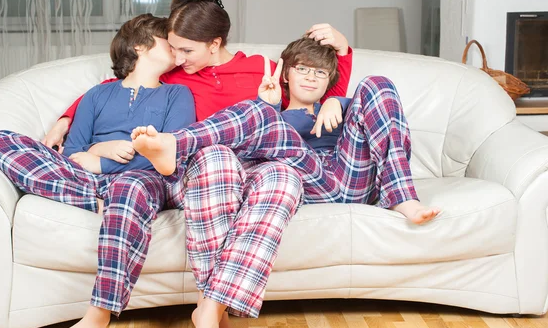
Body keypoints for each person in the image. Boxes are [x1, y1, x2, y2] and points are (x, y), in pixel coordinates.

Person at [42, 0, 353, 328]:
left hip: (260, 163)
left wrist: (339, 71)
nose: (176, 57)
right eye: (172, 48)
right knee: (216, 158)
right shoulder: (177, 77)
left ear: (214, 43)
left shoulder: (260, 67)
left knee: (284, 179)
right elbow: (119, 87)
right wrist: (66, 117)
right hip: (206, 166)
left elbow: (311, 86)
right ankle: (214, 313)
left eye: (185, 49)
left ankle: (211, 307)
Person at [0, 14, 196, 328]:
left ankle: (96, 318)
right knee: (2, 141)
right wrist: (97, 152)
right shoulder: (97, 95)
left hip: (146, 180)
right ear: (141, 46)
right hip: (86, 180)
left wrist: (101, 161)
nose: (175, 47)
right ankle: (96, 198)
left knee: (128, 186)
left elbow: (170, 153)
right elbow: (71, 154)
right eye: (166, 40)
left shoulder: (178, 94)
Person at [131, 36, 440, 224]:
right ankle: (176, 144)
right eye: (302, 69)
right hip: (313, 181)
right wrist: (267, 106)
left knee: (378, 83)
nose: (310, 78)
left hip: (355, 176)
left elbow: (373, 110)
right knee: (260, 115)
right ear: (287, 74)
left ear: (328, 80)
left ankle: (402, 197)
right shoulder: (271, 116)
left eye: (319, 72)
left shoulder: (342, 108)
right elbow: (246, 156)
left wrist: (339, 103)